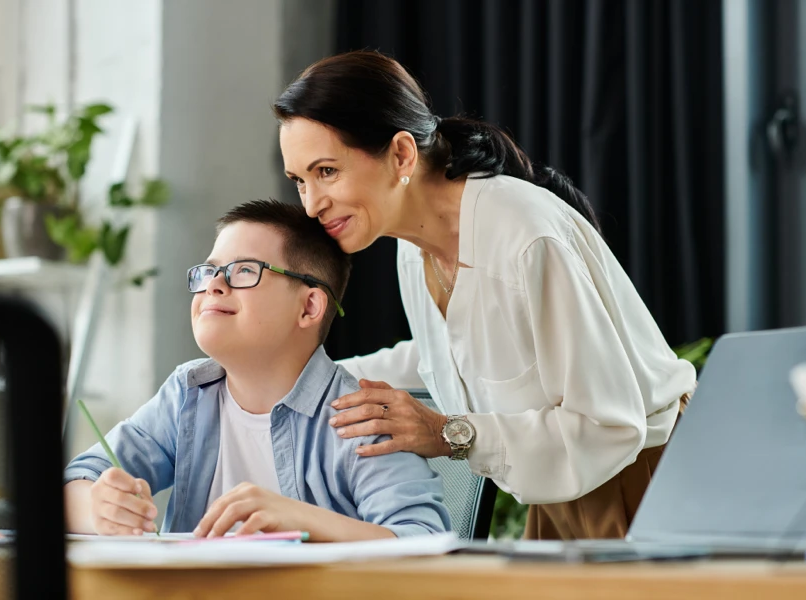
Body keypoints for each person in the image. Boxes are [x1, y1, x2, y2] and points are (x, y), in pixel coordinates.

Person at [274, 50, 697, 540]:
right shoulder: (415, 247)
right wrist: (305, 381)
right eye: (300, 181)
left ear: (402, 155)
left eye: (326, 171)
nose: (311, 205)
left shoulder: (524, 237)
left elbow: (609, 425)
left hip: (645, 483)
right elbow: (452, 356)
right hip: (567, 490)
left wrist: (447, 434)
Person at [63, 199, 450, 541]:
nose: (213, 284)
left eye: (243, 271)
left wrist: (301, 520)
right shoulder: (189, 392)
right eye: (209, 271)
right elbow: (74, 483)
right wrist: (99, 507)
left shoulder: (359, 416)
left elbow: (426, 543)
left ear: (309, 307)